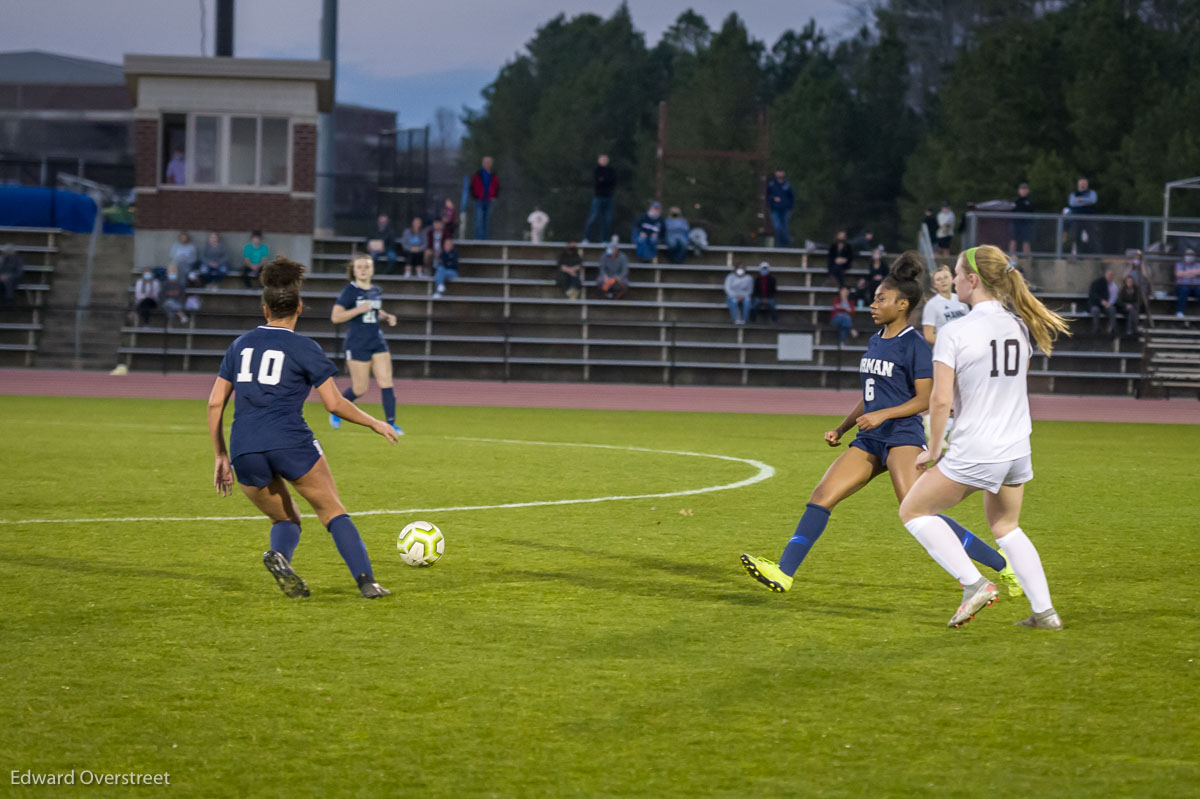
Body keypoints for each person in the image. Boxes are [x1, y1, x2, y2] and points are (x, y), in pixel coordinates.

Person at [741, 252, 1017, 597]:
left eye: (880, 299)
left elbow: (925, 399)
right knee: (822, 497)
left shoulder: (915, 345)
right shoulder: (876, 340)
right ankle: (784, 573)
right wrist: (842, 428)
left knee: (916, 512)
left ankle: (1002, 564)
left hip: (902, 437)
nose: (872, 304)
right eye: (873, 298)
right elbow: (871, 394)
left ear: (902, 304)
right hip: (869, 438)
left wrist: (884, 415)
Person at [898, 244, 1070, 629]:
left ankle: (973, 583)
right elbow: (1004, 386)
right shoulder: (1019, 324)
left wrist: (934, 449)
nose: (954, 280)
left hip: (979, 447)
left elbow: (940, 400)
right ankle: (1045, 613)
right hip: (1016, 447)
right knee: (1006, 527)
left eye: (958, 274)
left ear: (973, 280)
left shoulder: (956, 330)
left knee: (913, 510)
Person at [207, 258, 397, 599]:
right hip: (289, 441)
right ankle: (367, 582)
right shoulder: (305, 348)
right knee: (331, 510)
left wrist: (221, 454)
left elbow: (214, 403)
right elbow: (335, 404)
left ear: (265, 309)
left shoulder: (239, 346)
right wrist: (374, 422)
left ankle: (281, 556)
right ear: (299, 308)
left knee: (286, 520)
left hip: (244, 447)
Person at [329, 255, 402, 435]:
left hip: (377, 341)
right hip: (357, 343)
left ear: (372, 269)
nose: (363, 270)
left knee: (386, 382)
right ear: (353, 270)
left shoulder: (376, 290)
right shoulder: (349, 291)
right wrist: (358, 310)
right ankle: (336, 411)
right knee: (360, 388)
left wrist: (387, 316)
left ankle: (391, 424)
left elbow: (374, 309)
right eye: (359, 267)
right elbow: (336, 317)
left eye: (367, 266)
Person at [921, 265, 969, 346]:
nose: (943, 281)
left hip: (965, 347)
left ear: (952, 279)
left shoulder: (962, 300)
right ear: (934, 284)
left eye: (946, 277)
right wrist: (948, 345)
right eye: (939, 279)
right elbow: (928, 336)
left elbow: (969, 325)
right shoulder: (931, 305)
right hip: (947, 351)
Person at [583, 154, 616, 243]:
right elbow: (597, 182)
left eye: (605, 159)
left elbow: (612, 182)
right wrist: (605, 181)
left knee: (607, 219)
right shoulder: (596, 170)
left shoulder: (611, 170)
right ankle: (586, 238)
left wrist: (604, 180)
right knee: (593, 217)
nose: (604, 161)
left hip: (608, 198)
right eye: (602, 159)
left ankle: (605, 239)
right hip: (598, 197)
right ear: (599, 160)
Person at [470, 156, 499, 239]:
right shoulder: (478, 174)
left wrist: (494, 197)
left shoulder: (493, 175)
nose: (487, 164)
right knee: (479, 222)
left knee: (487, 222)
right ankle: (479, 240)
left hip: (489, 201)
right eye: (486, 162)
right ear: (482, 163)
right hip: (479, 201)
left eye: (489, 162)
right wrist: (475, 197)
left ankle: (486, 240)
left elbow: (497, 187)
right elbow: (472, 186)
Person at [1067, 178, 1098, 254]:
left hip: (1089, 218)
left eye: (1084, 183)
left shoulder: (1091, 192)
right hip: (1077, 219)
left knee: (1092, 236)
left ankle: (1095, 254)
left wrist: (1080, 200)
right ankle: (1079, 255)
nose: (1083, 185)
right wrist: (1086, 201)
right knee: (1077, 237)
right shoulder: (1073, 194)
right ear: (1078, 184)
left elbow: (1093, 200)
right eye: (1081, 183)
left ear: (1087, 184)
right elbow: (1072, 203)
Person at [766, 169, 795, 247]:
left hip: (785, 210)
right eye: (778, 171)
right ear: (776, 173)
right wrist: (773, 199)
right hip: (774, 209)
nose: (779, 173)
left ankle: (780, 245)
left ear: (783, 173)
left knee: (784, 227)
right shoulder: (771, 184)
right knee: (777, 226)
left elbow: (792, 197)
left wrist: (790, 207)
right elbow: (767, 195)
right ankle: (788, 240)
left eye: (781, 171)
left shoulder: (787, 185)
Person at [1088, 267, 1118, 335]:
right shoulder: (1097, 282)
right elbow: (1093, 294)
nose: (1110, 277)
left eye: (1111, 275)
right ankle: (1096, 329)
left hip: (1105, 306)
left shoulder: (1113, 286)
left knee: (1112, 309)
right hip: (1095, 304)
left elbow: (1114, 298)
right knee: (1096, 310)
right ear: (1105, 275)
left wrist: (1108, 304)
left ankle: (1111, 328)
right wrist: (1101, 301)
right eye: (1109, 275)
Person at [1009, 183, 1034, 254]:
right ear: (1019, 190)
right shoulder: (1015, 200)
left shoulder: (1030, 201)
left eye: (1025, 189)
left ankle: (1027, 258)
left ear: (1027, 191)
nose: (1023, 191)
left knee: (1026, 241)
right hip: (1016, 224)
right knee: (1013, 240)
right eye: (1022, 189)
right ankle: (1011, 257)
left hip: (1026, 224)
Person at [1175, 248, 1200, 319]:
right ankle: (1180, 312)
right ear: (1184, 255)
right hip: (1183, 286)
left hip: (1196, 287)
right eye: (1187, 254)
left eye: (1191, 254)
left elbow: (1199, 272)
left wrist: (1185, 273)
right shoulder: (1179, 264)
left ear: (1194, 256)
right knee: (1184, 289)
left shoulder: (1198, 265)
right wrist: (1194, 272)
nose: (1189, 256)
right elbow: (1178, 274)